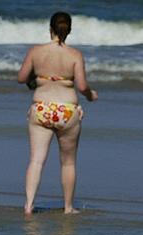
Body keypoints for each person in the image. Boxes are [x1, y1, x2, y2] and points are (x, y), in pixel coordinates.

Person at [17, 11, 98, 215]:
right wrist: (90, 95)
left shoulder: (36, 51)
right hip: (67, 111)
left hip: (41, 108)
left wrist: (37, 79)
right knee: (68, 162)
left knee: (36, 160)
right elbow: (81, 85)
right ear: (68, 31)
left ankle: (28, 205)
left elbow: (21, 77)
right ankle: (68, 207)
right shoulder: (75, 55)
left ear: (50, 28)